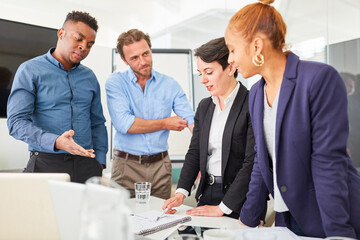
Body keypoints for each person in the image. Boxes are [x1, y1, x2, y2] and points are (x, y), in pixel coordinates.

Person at [224, 0, 360, 238]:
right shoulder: (256, 93)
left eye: (232, 49)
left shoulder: (318, 79)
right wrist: (247, 220)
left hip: (329, 217)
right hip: (287, 218)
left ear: (256, 46)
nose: (230, 59)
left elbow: (328, 162)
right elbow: (261, 161)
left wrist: (339, 233)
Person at [162, 37, 259, 220]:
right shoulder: (205, 106)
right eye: (200, 73)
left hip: (239, 200)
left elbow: (252, 162)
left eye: (209, 72)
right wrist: (180, 193)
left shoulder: (252, 104)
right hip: (207, 193)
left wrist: (223, 207)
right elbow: (194, 152)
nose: (203, 80)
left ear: (231, 67)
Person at [7, 11, 107, 183]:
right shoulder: (30, 70)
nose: (84, 47)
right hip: (46, 165)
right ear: (61, 33)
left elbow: (97, 122)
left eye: (90, 44)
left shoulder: (89, 77)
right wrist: (56, 141)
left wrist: (100, 162)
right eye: (78, 38)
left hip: (88, 166)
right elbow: (16, 122)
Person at [105, 29, 194, 199]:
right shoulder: (116, 83)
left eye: (146, 54)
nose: (143, 61)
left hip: (161, 167)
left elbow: (189, 117)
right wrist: (166, 123)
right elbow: (125, 124)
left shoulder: (169, 84)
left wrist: (204, 148)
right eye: (135, 58)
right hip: (126, 167)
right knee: (123, 221)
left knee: (161, 220)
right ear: (124, 60)